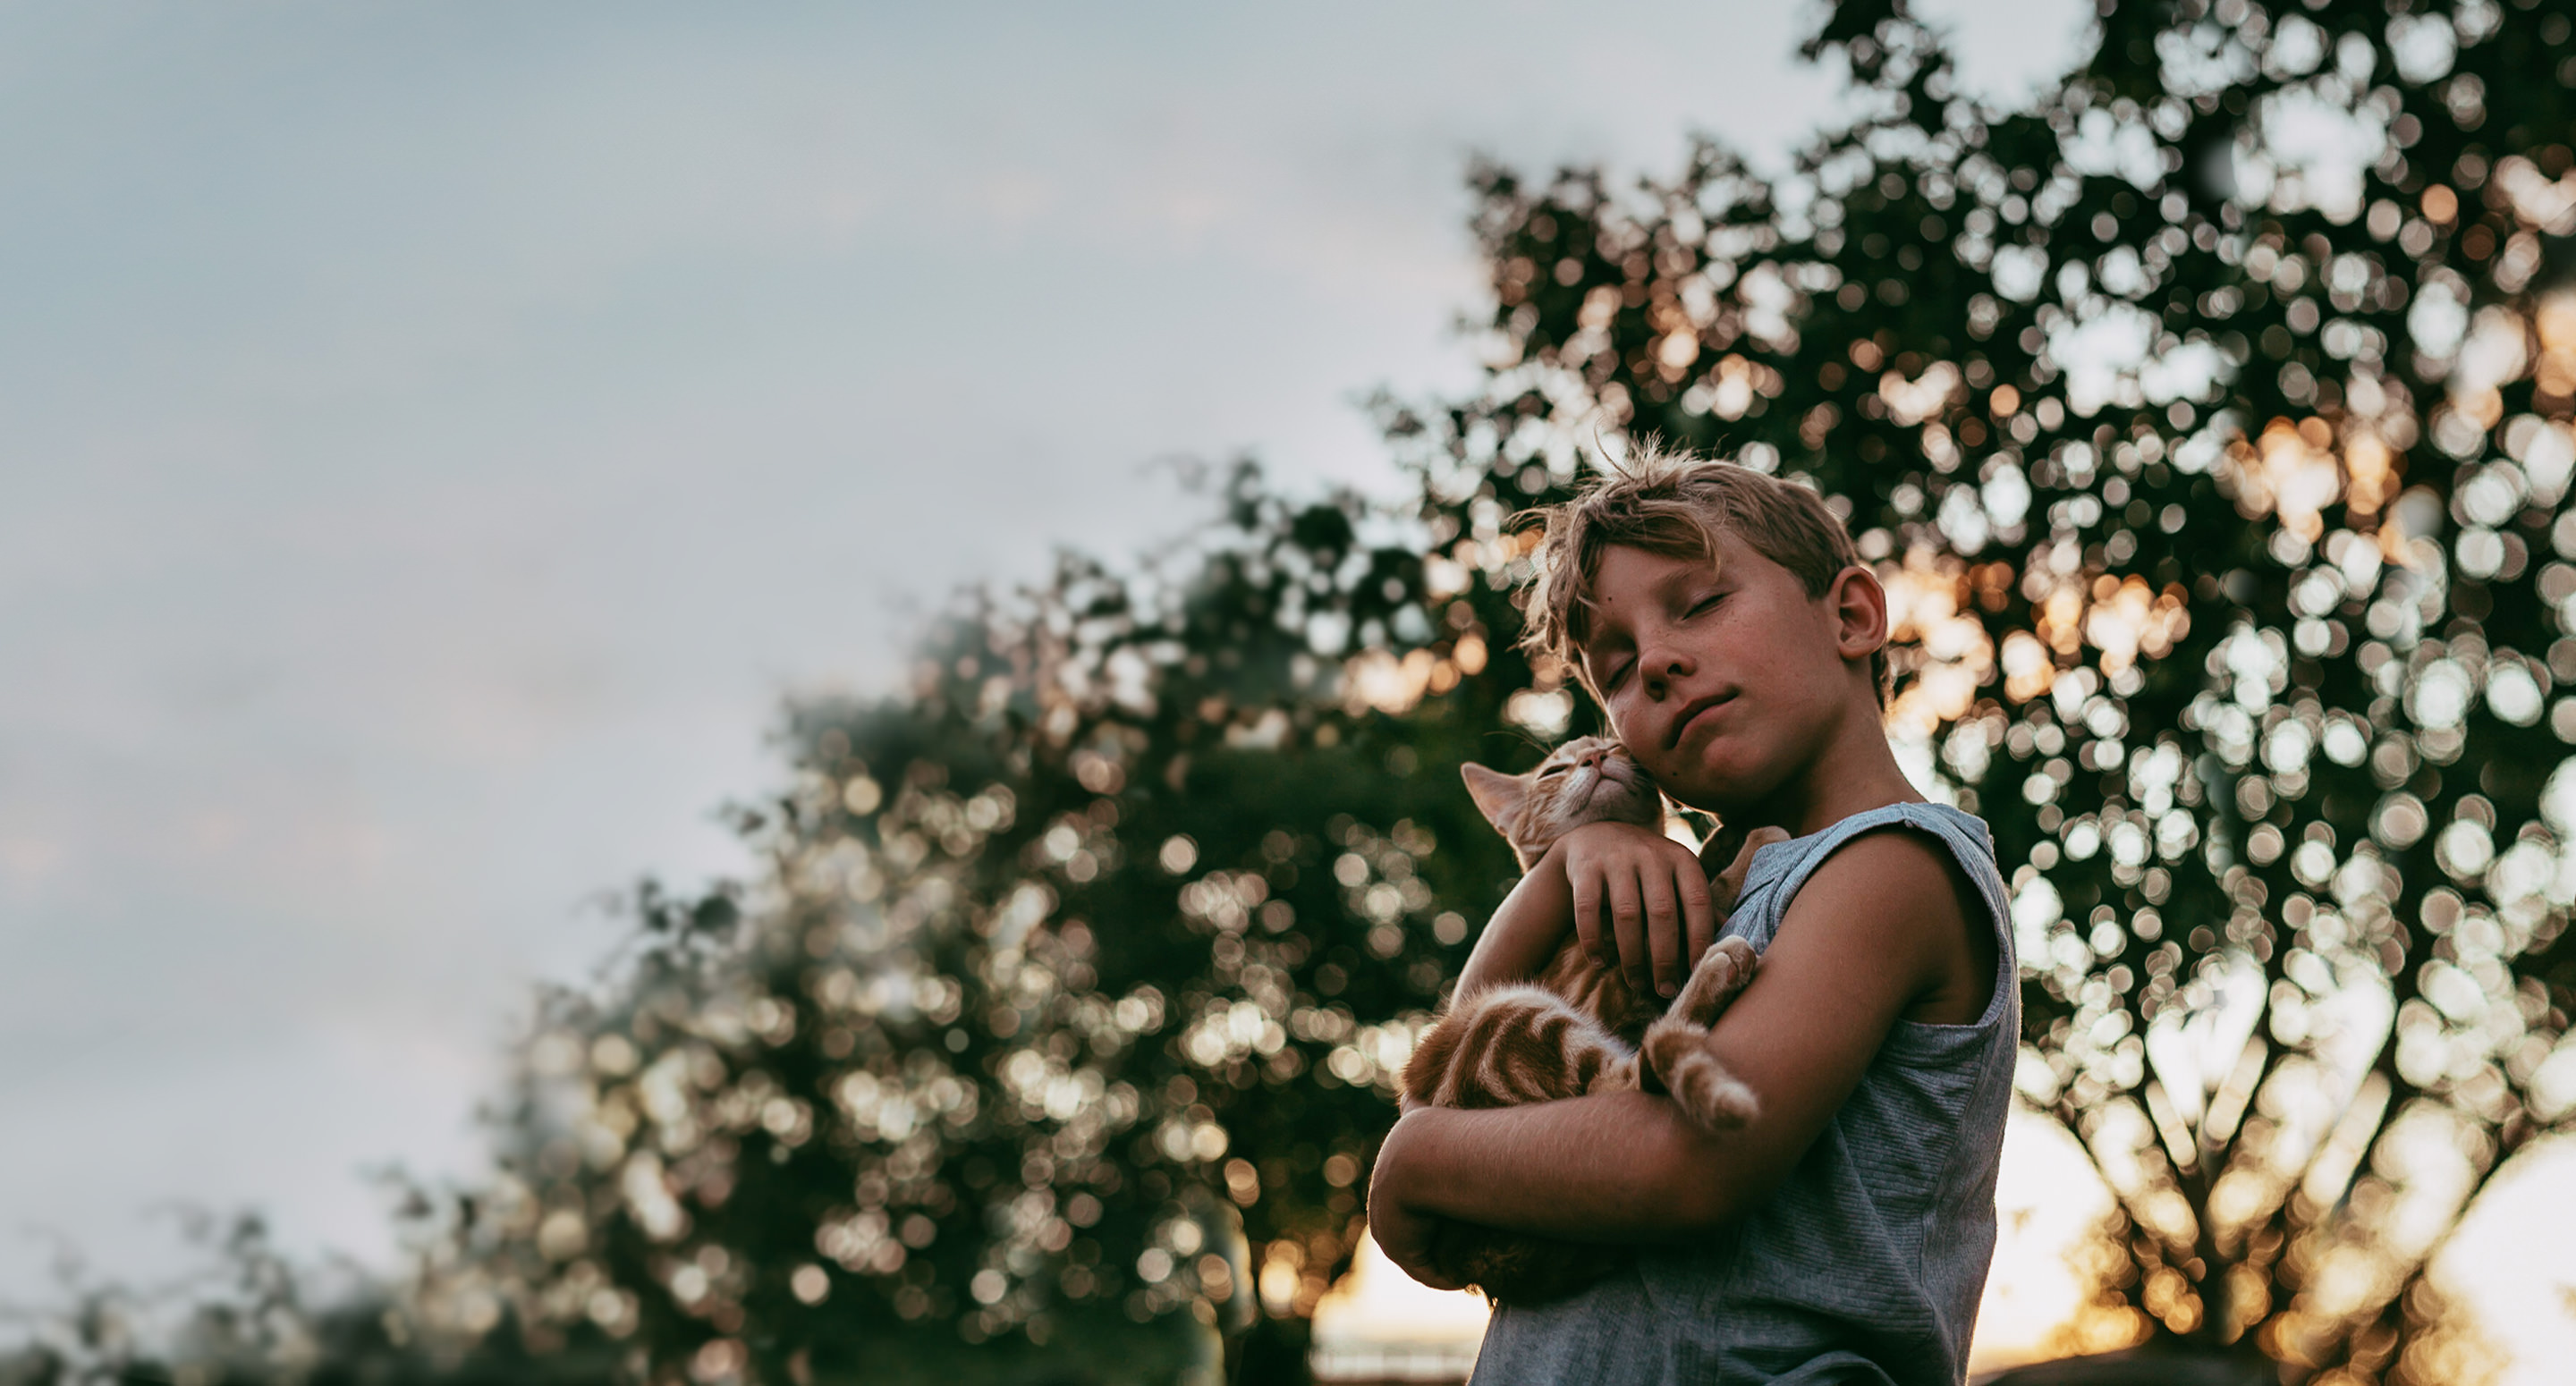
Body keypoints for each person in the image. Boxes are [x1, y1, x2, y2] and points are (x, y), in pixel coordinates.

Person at [1367, 446, 2018, 1384]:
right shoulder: (1683, 887)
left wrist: (1413, 1161)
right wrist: (1568, 864)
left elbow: (1693, 1162)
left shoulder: (1891, 864)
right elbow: (1473, 1057)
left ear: (1851, 614)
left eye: (1701, 603)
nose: (1660, 662)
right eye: (1618, 668)